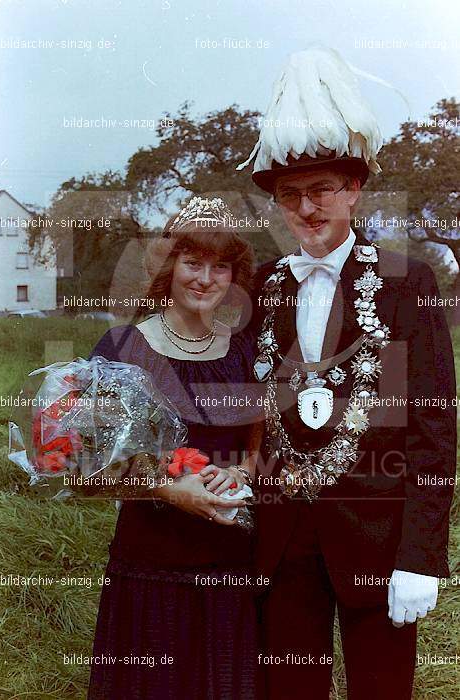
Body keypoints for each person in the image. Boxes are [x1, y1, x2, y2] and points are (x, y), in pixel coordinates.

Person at [239, 47, 457, 699]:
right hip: (281, 546)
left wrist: (420, 557)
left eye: (321, 190)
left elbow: (433, 430)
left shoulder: (404, 281)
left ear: (354, 189)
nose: (306, 209)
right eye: (290, 196)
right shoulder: (265, 284)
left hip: (377, 541)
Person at [86, 196, 263, 700]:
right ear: (169, 266)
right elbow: (88, 468)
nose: (205, 278)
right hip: (151, 564)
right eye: (193, 262)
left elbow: (260, 433)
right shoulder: (122, 348)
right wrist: (168, 490)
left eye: (220, 266)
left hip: (230, 560)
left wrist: (244, 473)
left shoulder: (244, 348)